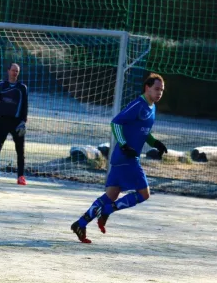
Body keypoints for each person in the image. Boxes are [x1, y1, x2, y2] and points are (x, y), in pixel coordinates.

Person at [71, 73, 167, 243]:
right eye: (156, 89)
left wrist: (156, 143)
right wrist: (123, 145)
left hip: (121, 159)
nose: (159, 92)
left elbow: (144, 132)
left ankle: (80, 223)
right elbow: (116, 122)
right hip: (126, 158)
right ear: (147, 87)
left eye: (162, 90)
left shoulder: (152, 108)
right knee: (144, 194)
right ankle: (107, 211)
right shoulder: (138, 104)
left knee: (111, 195)